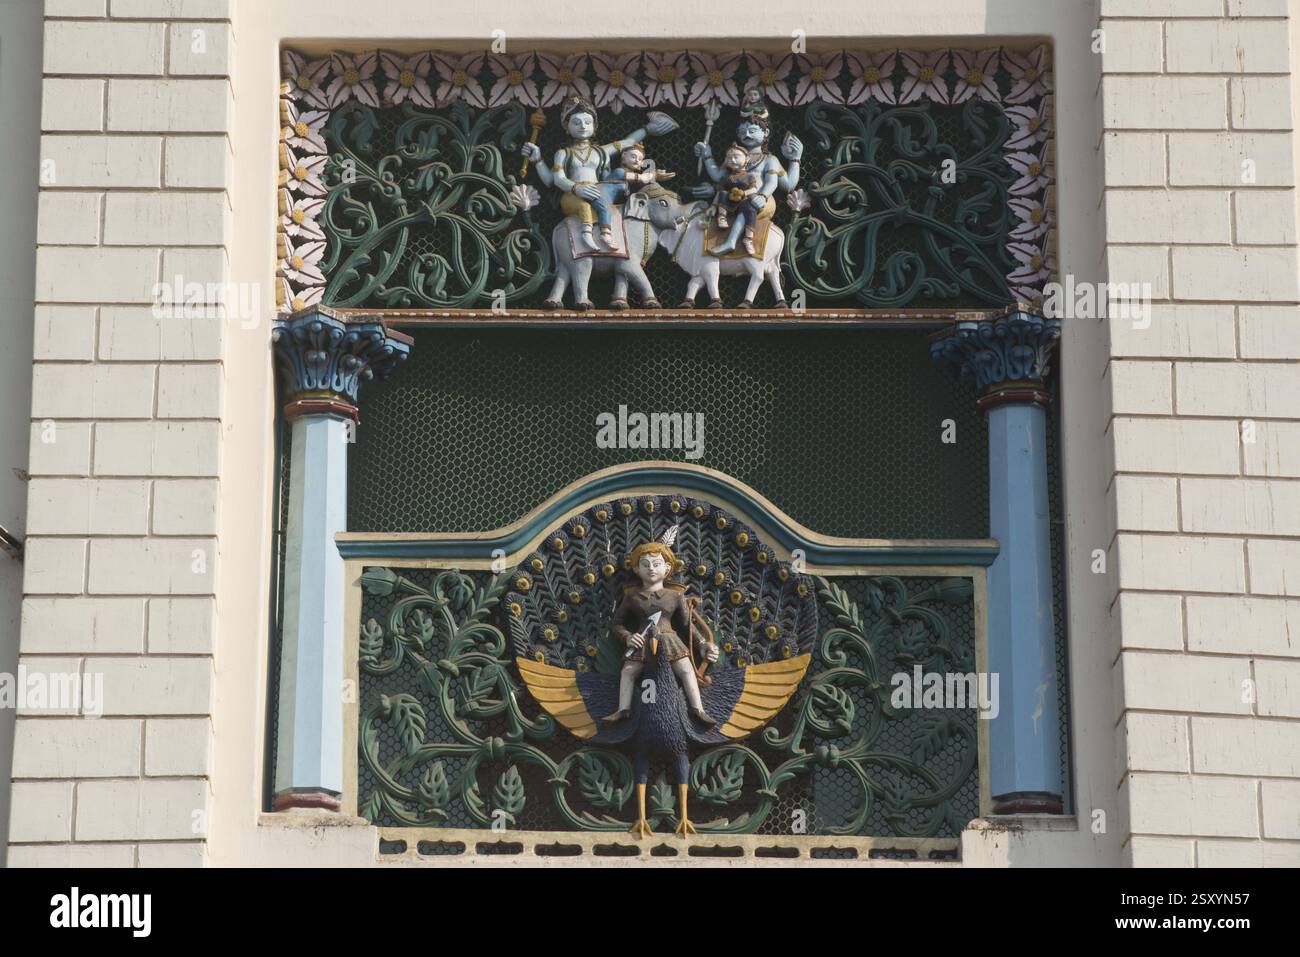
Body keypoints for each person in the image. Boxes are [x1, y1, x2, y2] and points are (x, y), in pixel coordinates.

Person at [521, 95, 677, 252]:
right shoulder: (563, 153)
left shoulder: (600, 151)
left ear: (594, 127)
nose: (583, 126)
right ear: (567, 127)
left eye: (587, 122)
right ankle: (587, 236)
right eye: (576, 122)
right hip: (573, 195)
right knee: (584, 207)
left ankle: (609, 235)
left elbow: (628, 142)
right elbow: (555, 180)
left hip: (597, 192)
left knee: (618, 180)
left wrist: (648, 129)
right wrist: (538, 160)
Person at [602, 538, 719, 726]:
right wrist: (628, 637)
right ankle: (623, 709)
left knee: (686, 670)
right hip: (643, 641)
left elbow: (687, 624)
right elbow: (617, 624)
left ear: (667, 569)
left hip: (669, 639)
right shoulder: (632, 597)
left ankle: (698, 709)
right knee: (629, 671)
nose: (651, 569)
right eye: (645, 564)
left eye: (657, 564)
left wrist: (703, 644)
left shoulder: (675, 596)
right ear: (637, 570)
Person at [593, 143, 675, 248]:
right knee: (605, 209)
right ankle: (605, 234)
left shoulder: (631, 180)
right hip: (600, 194)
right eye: (633, 156)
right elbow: (642, 178)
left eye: (640, 159)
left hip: (610, 200)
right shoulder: (619, 172)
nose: (637, 160)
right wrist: (655, 175)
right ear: (623, 156)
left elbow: (641, 182)